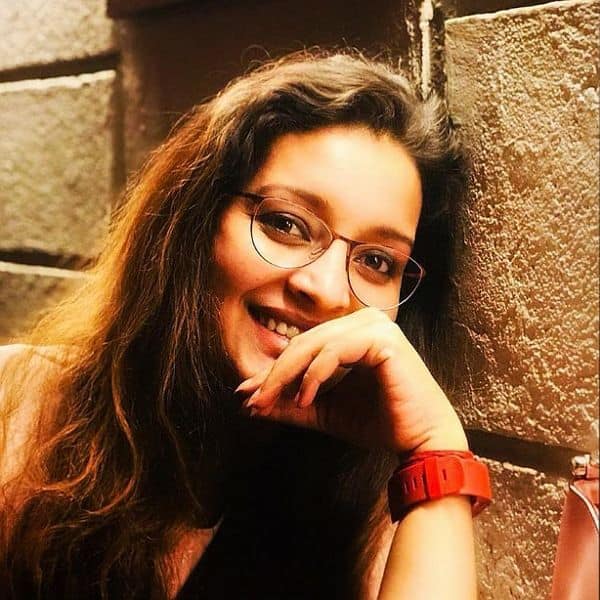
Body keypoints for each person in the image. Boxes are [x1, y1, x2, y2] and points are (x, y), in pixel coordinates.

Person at [0, 50, 489, 599]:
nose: (326, 289)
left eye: (377, 261)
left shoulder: (370, 507)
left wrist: (435, 448)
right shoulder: (20, 409)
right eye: (286, 224)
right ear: (196, 222)